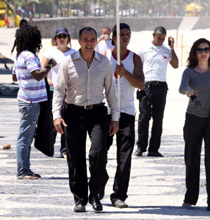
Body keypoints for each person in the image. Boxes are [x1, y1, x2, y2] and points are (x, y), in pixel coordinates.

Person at [52, 27, 119, 213]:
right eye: (85, 39)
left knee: (98, 154)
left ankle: (95, 194)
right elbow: (58, 91)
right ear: (79, 41)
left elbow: (111, 91)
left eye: (92, 39)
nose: (89, 43)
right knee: (75, 157)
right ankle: (80, 198)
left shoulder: (104, 62)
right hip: (74, 112)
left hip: (98, 112)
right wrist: (56, 116)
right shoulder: (68, 62)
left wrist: (115, 117)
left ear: (96, 41)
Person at [102, 23, 144, 208]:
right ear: (113, 37)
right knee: (99, 154)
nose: (125, 37)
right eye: (121, 34)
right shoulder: (103, 57)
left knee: (124, 156)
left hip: (126, 111)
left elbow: (141, 84)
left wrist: (125, 72)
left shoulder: (135, 58)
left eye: (128, 34)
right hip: (106, 111)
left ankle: (119, 194)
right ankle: (96, 189)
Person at [179, 38, 210, 212]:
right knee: (191, 158)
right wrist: (188, 91)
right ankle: (190, 197)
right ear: (195, 53)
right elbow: (181, 87)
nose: (203, 52)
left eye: (206, 49)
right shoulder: (189, 72)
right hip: (193, 119)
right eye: (199, 50)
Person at [13, 25, 56, 180]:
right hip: (30, 102)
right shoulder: (29, 56)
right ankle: (23, 170)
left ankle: (25, 168)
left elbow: (13, 77)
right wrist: (50, 66)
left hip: (27, 100)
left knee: (27, 136)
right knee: (25, 137)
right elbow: (38, 76)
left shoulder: (20, 56)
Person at [134, 26, 179, 157]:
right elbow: (137, 66)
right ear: (153, 35)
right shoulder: (144, 49)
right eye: (158, 38)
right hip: (146, 84)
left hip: (161, 85)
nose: (160, 41)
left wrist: (172, 47)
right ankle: (141, 147)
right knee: (144, 117)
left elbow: (175, 65)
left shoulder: (166, 50)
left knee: (158, 118)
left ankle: (153, 148)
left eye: (163, 39)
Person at [41, 27, 76, 159]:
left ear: (68, 38)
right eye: (59, 36)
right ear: (56, 38)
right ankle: (48, 147)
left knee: (67, 121)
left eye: (64, 36)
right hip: (53, 91)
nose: (61, 39)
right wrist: (48, 78)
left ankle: (65, 150)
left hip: (69, 92)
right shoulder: (50, 52)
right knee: (52, 120)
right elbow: (42, 69)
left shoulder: (73, 53)